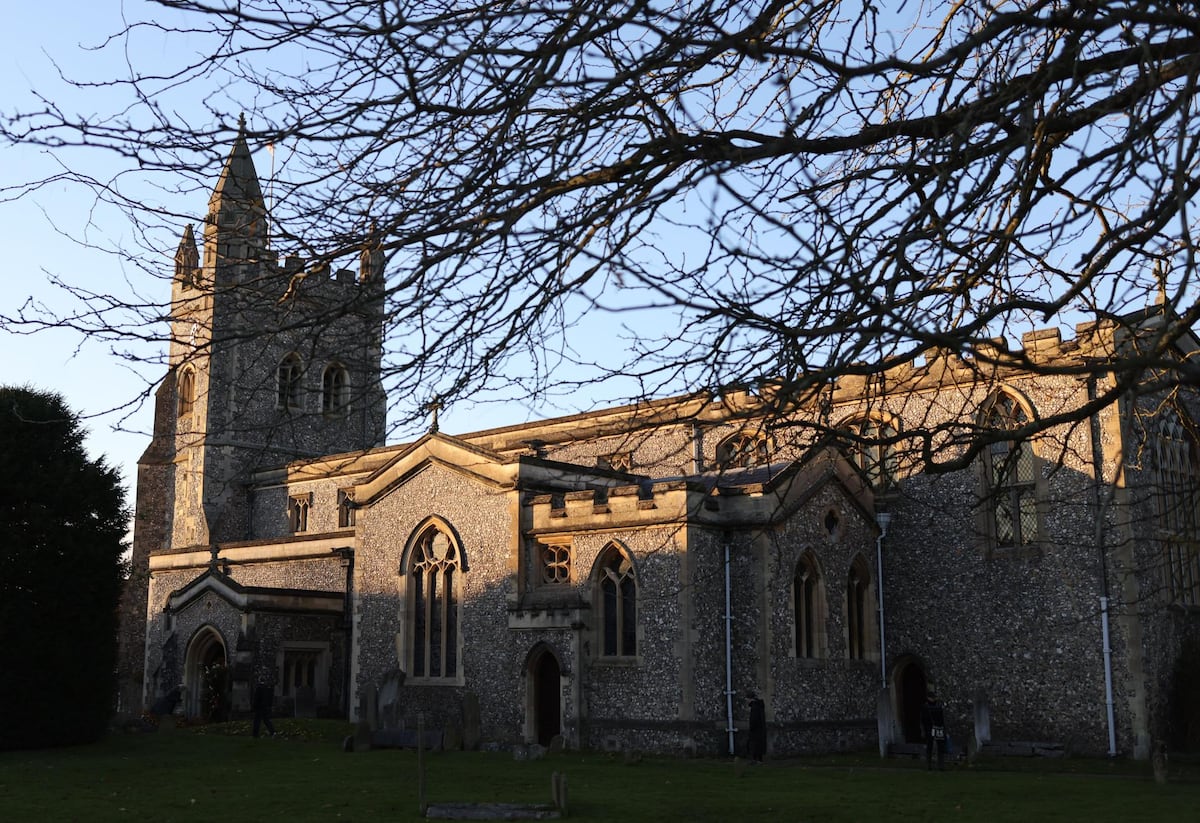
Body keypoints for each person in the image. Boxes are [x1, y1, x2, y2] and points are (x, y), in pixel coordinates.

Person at [920, 690, 946, 770]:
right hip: (930, 728)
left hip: (937, 728)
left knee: (939, 747)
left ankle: (940, 765)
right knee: (930, 746)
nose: (934, 699)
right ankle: (929, 765)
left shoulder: (937, 706)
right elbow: (923, 719)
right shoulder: (926, 707)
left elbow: (941, 718)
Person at [747, 692, 766, 763]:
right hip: (760, 729)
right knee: (759, 744)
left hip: (755, 730)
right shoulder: (759, 706)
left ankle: (755, 759)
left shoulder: (755, 707)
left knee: (755, 745)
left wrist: (751, 727)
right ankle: (759, 759)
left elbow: (754, 719)